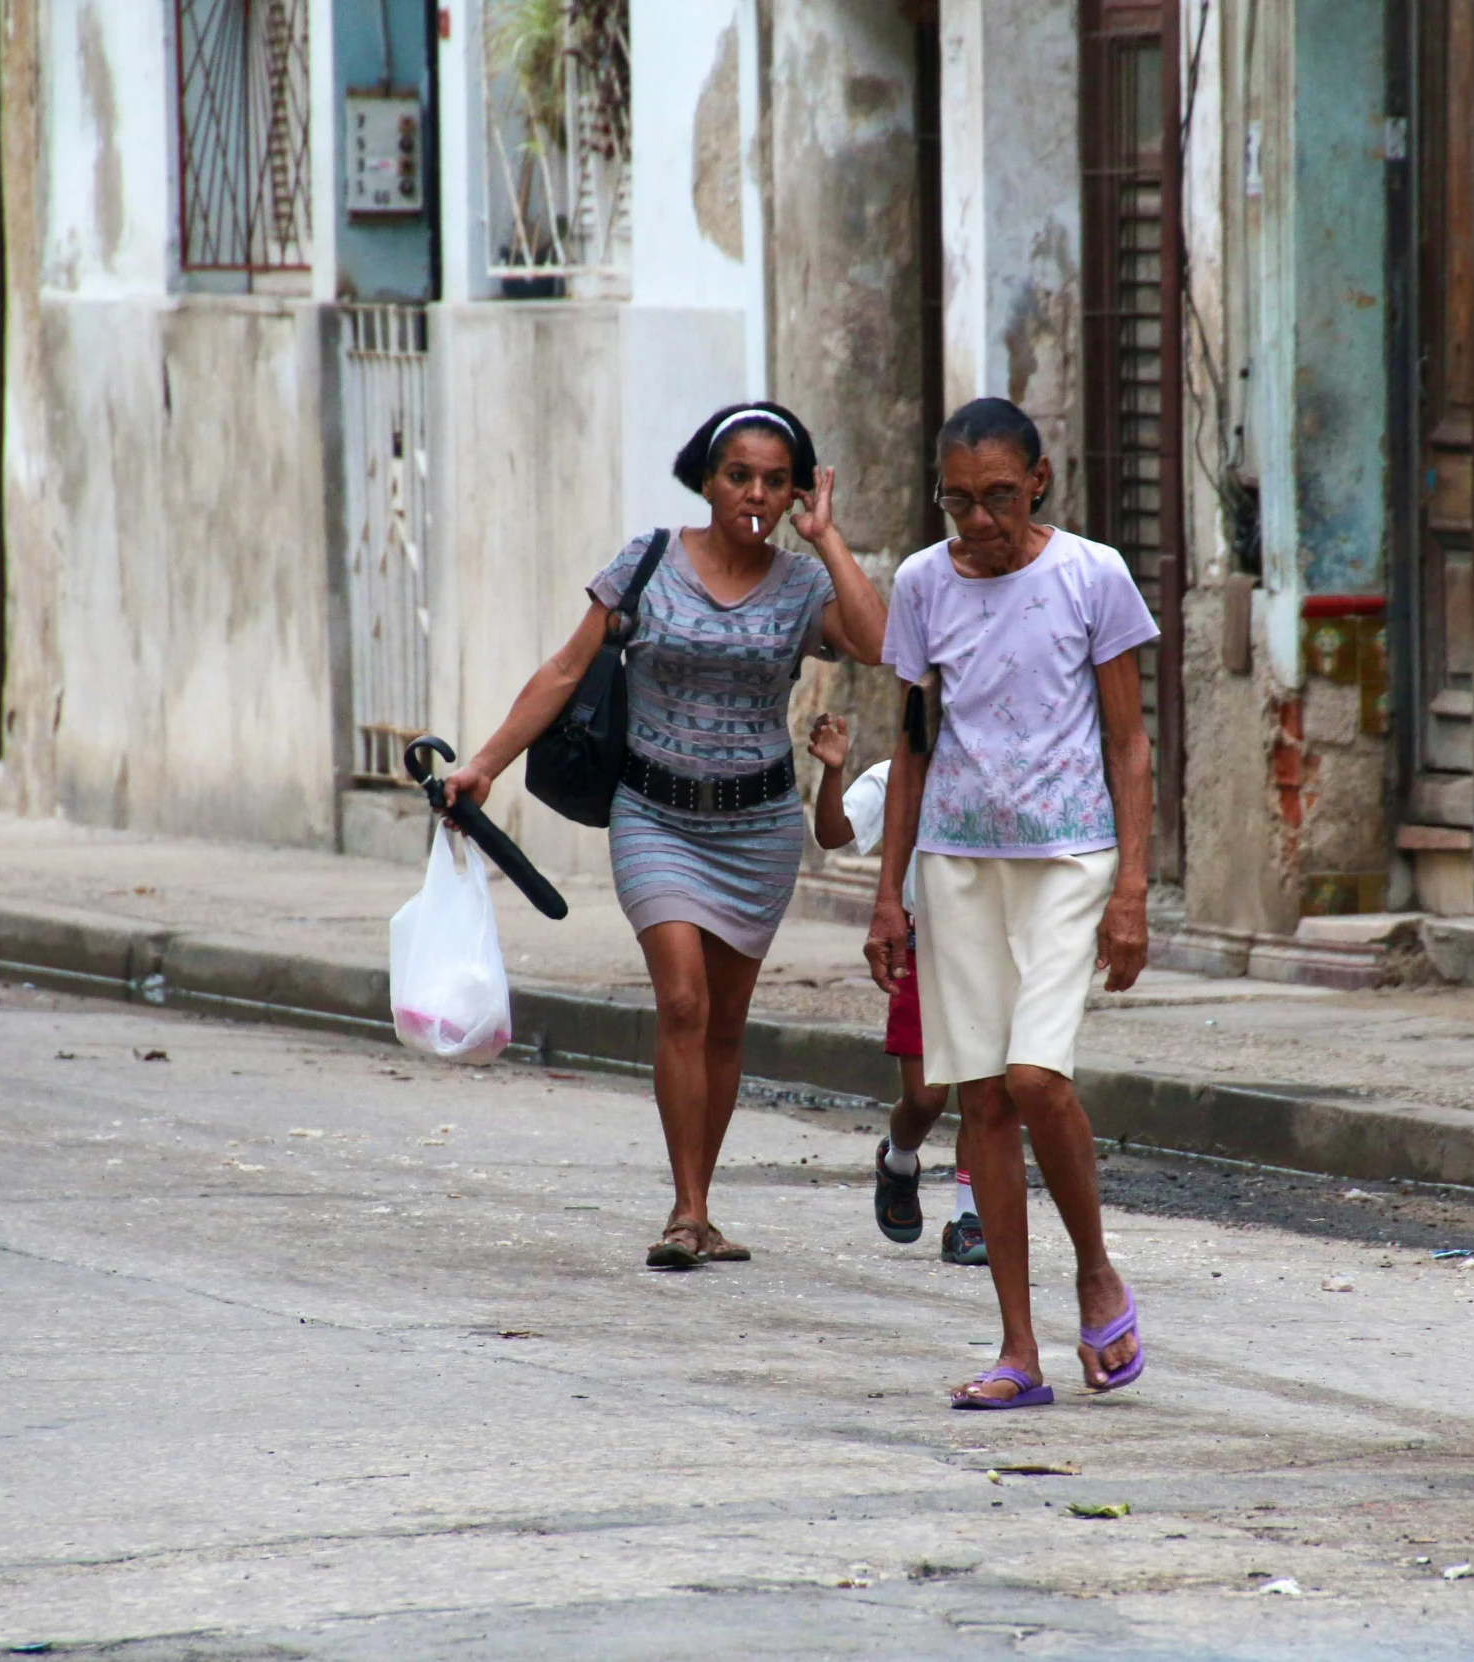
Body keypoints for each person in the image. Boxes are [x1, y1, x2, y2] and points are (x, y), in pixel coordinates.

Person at [444, 403, 886, 1270]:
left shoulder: (801, 587)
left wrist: (827, 539)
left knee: (724, 1025)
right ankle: (685, 1213)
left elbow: (878, 641)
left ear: (796, 489)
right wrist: (485, 764)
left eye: (774, 480)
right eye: (738, 477)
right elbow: (566, 669)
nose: (755, 495)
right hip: (655, 817)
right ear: (707, 479)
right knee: (682, 1002)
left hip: (758, 826)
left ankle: (705, 1205)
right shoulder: (647, 562)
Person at [866, 396, 1155, 1409]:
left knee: (1036, 1079)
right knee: (979, 1095)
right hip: (953, 864)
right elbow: (909, 746)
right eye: (958, 502)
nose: (978, 522)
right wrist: (887, 894)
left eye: (997, 497)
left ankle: (1094, 1270)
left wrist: (1131, 886)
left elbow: (1127, 740)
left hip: (1069, 859)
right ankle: (1017, 1351)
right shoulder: (918, 585)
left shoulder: (1091, 576)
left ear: (1037, 480)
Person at [806, 714, 986, 1266]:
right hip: (918, 943)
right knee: (928, 1096)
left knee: (985, 1092)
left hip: (986, 945)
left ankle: (969, 1219)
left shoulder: (999, 783)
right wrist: (833, 772)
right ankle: (899, 1158)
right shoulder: (895, 777)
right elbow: (834, 834)